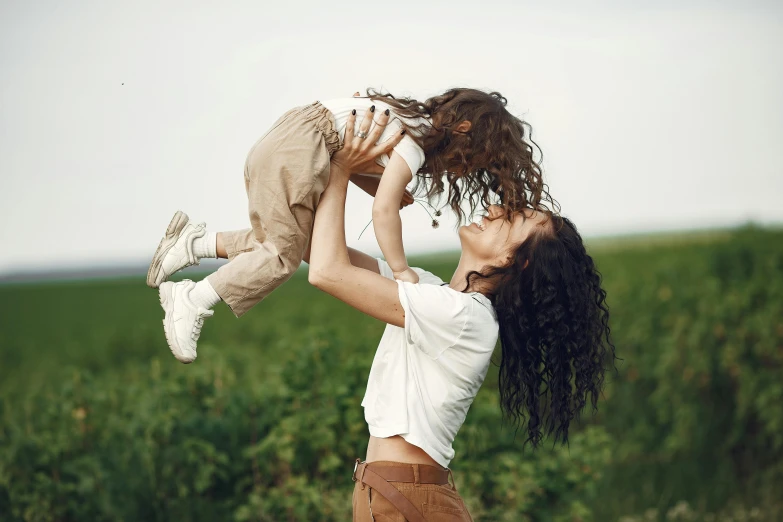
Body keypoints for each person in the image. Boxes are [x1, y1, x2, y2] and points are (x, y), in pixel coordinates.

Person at [306, 108, 616, 521]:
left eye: (516, 217)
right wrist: (342, 164)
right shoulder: (430, 291)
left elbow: (328, 272)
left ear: (515, 260)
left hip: (405, 498)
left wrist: (342, 167)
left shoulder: (463, 317)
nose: (497, 208)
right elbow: (315, 250)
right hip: (396, 494)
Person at [146, 88, 550, 363]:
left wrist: (376, 184)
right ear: (464, 133)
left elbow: (347, 151)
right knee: (281, 257)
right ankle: (192, 299)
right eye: (472, 160)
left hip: (287, 139)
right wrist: (399, 268)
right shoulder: (414, 143)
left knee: (285, 238)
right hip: (301, 153)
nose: (463, 170)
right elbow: (382, 214)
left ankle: (193, 244)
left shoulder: (404, 120)